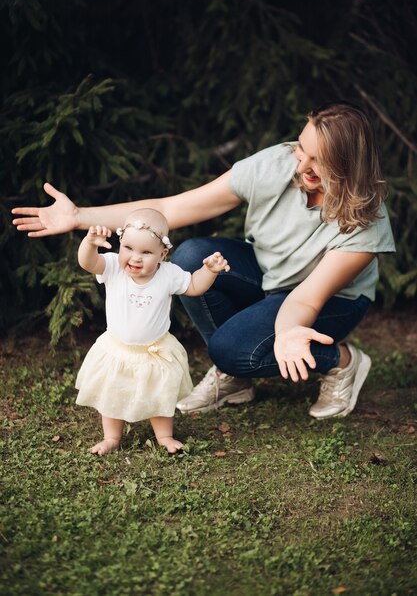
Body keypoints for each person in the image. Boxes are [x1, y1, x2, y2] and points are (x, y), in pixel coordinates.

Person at [12, 101, 395, 420]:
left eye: (318, 160)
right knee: (192, 255)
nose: (301, 165)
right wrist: (79, 216)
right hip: (268, 274)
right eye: (301, 148)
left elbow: (305, 300)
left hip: (327, 301)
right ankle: (236, 379)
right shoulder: (275, 165)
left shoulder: (366, 224)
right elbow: (169, 208)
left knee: (231, 349)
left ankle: (341, 360)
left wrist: (288, 331)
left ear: (347, 165)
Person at [73, 207, 229, 455]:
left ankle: (165, 435)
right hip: (117, 350)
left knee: (159, 395)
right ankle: (112, 437)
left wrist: (209, 271)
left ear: (163, 253)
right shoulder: (113, 267)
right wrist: (89, 244)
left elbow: (194, 286)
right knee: (113, 394)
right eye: (129, 248)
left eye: (146, 252)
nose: (135, 258)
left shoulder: (168, 274)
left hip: (155, 350)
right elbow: (88, 262)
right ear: (120, 244)